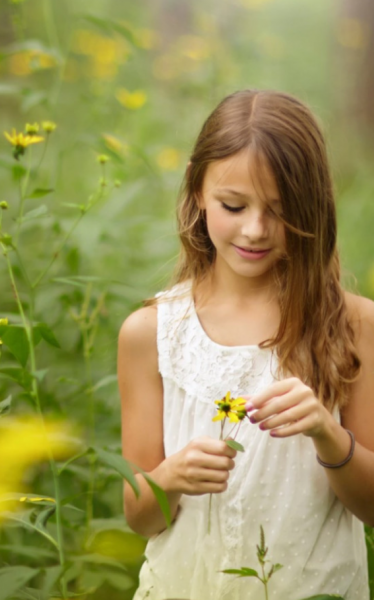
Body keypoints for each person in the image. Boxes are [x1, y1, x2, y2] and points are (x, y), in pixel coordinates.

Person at [117, 89, 374, 600]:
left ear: (313, 205)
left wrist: (327, 433)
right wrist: (170, 477)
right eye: (233, 205)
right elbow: (141, 518)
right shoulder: (152, 333)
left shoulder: (353, 324)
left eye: (280, 211)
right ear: (196, 190)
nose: (255, 230)